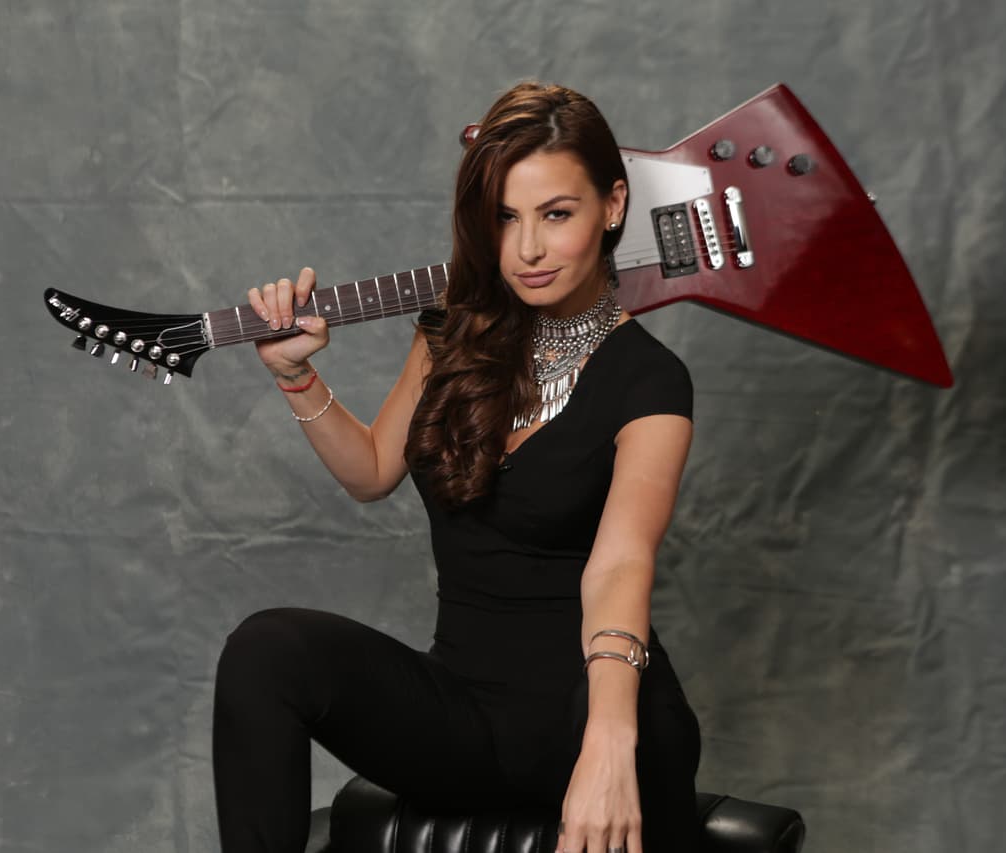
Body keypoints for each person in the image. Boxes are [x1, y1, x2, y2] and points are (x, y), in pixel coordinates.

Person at [212, 81, 700, 853]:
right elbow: (373, 468)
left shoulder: (651, 380)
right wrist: (294, 375)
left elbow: (619, 562)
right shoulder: (452, 334)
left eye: (556, 214)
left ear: (612, 207)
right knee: (265, 649)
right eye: (505, 218)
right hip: (463, 715)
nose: (527, 249)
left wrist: (608, 742)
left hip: (588, 710)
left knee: (636, 734)